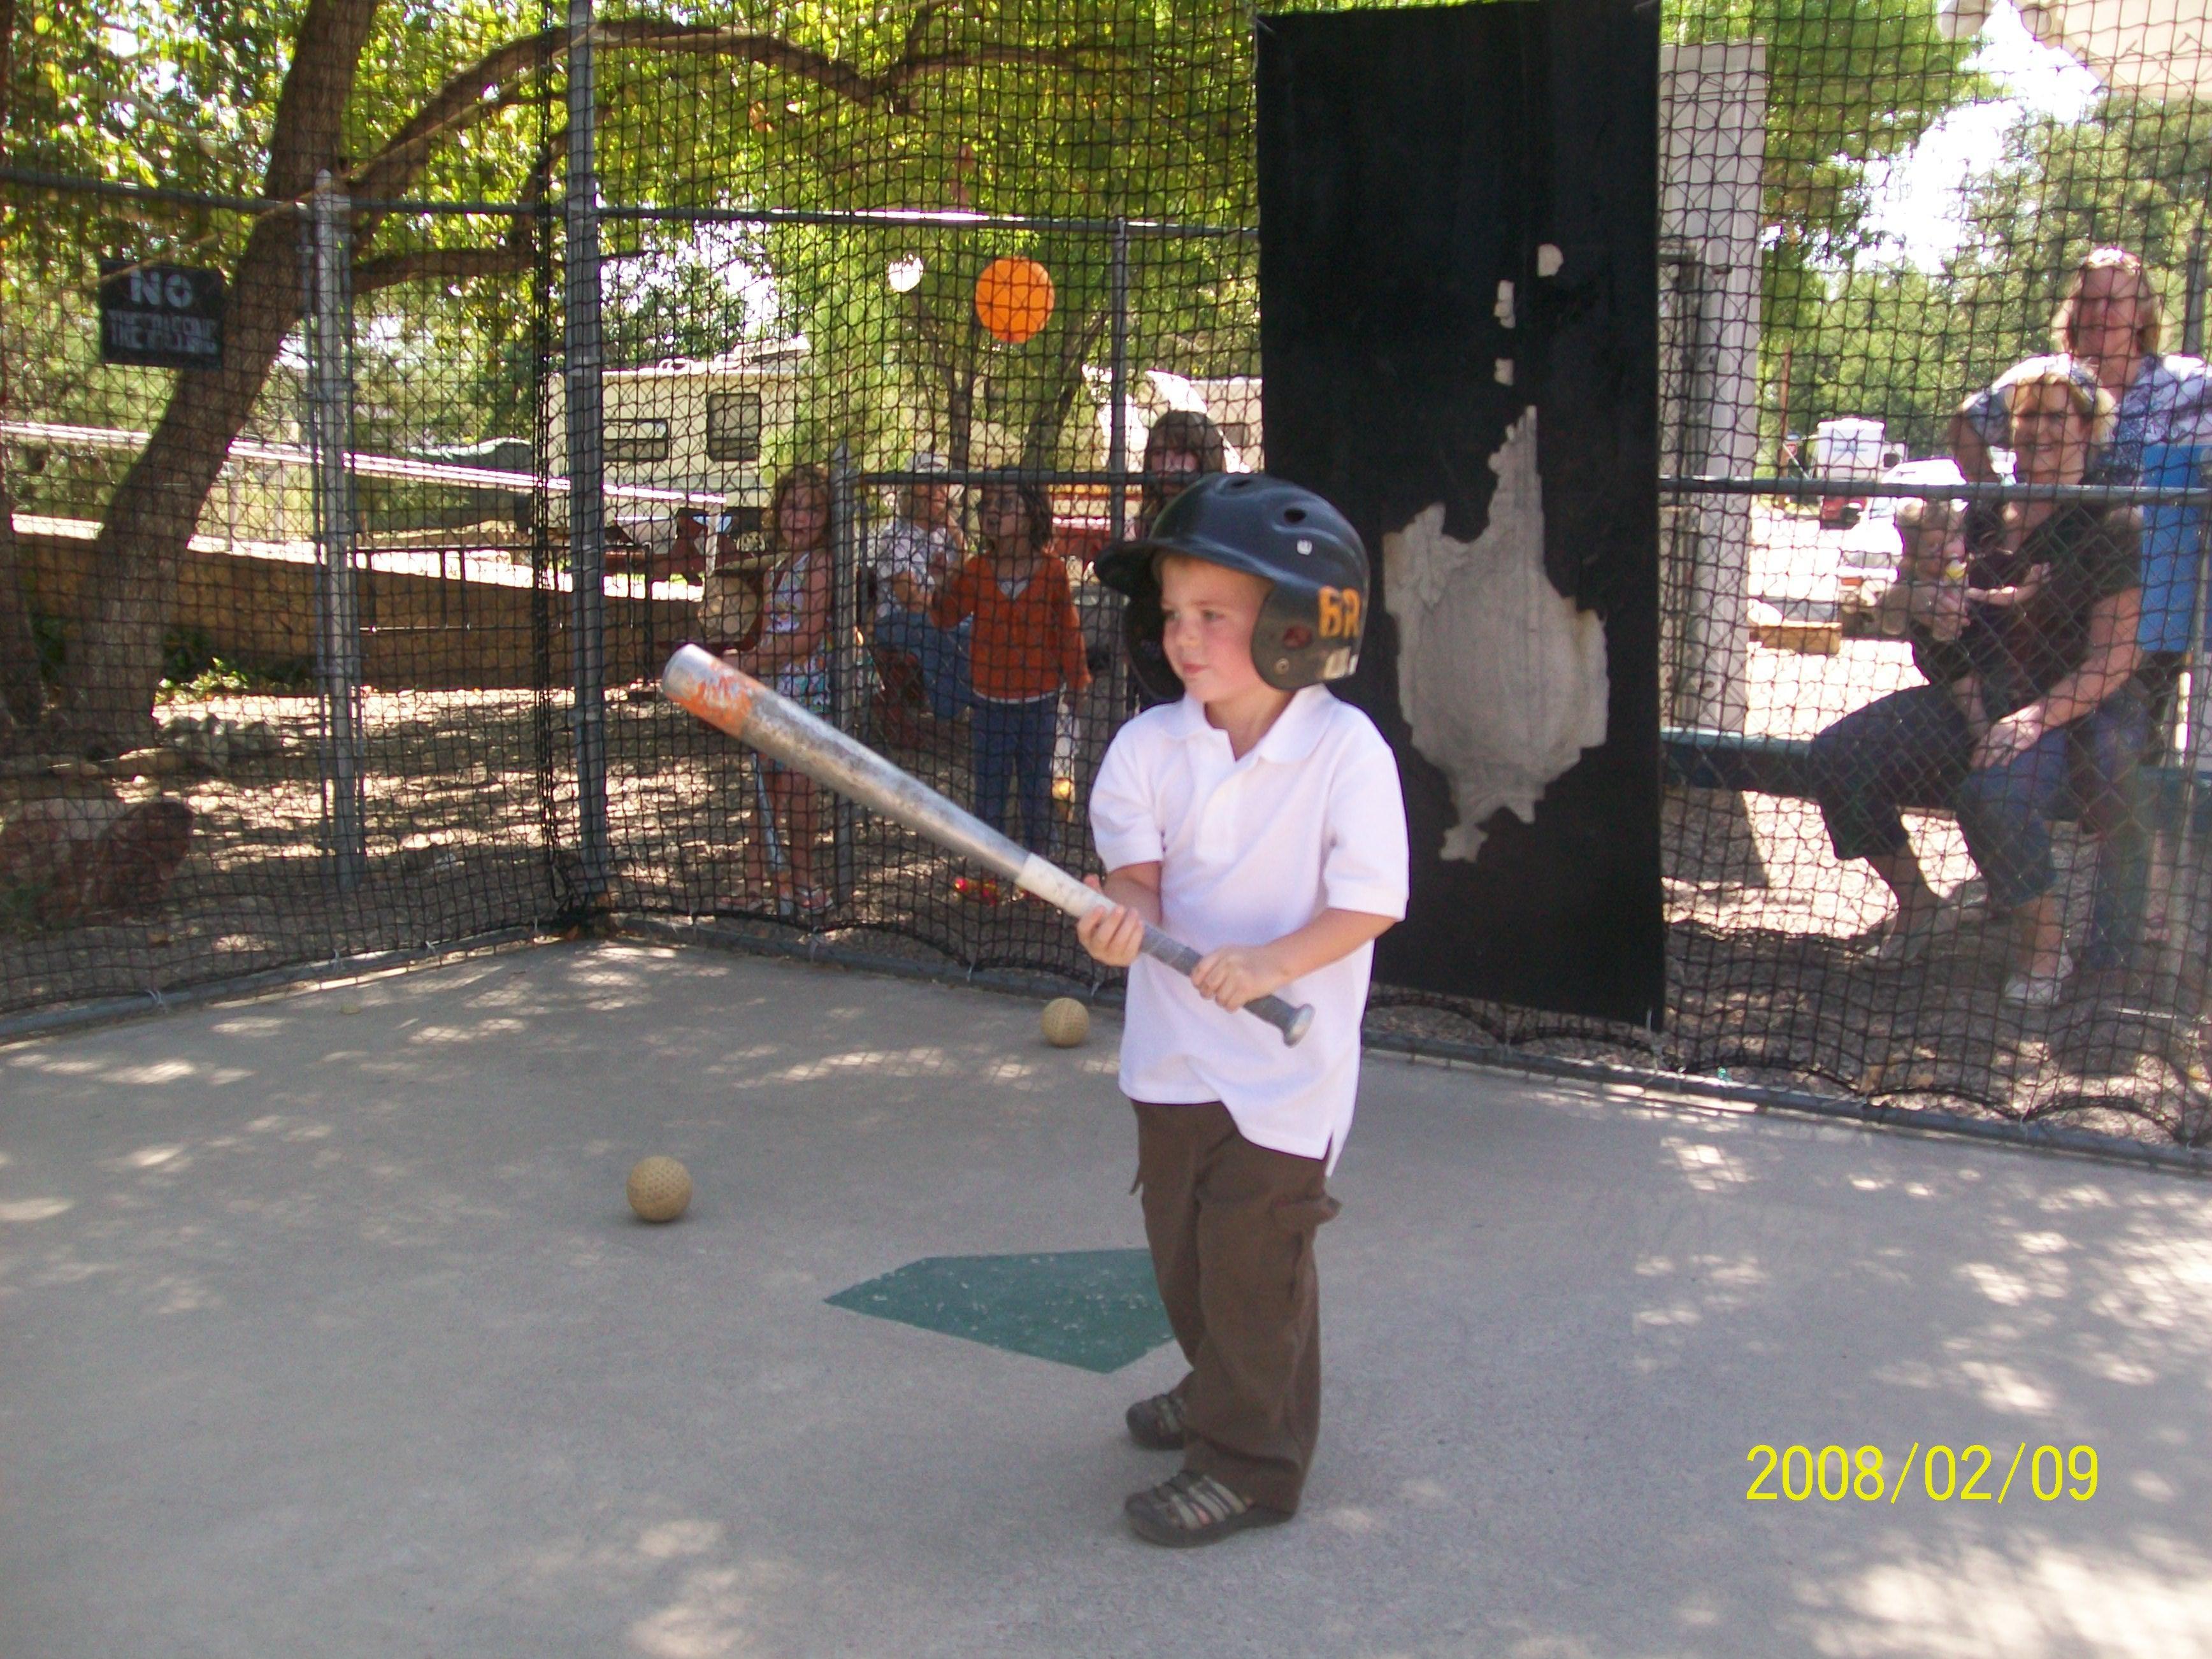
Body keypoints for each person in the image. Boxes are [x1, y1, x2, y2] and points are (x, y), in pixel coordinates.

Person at [1077, 473, 1409, 1547]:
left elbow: (1368, 902)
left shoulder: (1344, 753)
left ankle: (1250, 1458)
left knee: (1252, 1267)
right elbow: (1138, 879)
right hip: (1174, 1061)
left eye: (1212, 615)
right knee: (1180, 1256)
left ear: (1300, 627)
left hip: (1284, 1073)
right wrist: (1120, 914)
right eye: (1173, 614)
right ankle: (1218, 1378)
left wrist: (1271, 960)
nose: (1183, 636)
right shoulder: (1147, 747)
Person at [1816, 368, 2144, 1003]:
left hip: (2075, 706)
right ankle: (1919, 906)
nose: (2039, 434)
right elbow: (1905, 603)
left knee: (1991, 794)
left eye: (2057, 418)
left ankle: (2045, 947)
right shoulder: (1983, 512)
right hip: (1975, 693)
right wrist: (1918, 601)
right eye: (2027, 420)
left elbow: (2115, 658)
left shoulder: (2112, 521)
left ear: (2088, 428)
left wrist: (2030, 721)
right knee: (1838, 755)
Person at [1950, 247, 2208, 754]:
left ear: (2143, 313)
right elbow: (1967, 424)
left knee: (2128, 735)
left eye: (2114, 301)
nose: (2098, 314)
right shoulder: (2046, 377)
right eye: (2087, 301)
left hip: (2152, 581)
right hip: (2060, 574)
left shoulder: (2189, 384)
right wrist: (1998, 498)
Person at [930, 475, 1090, 878]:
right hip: (990, 704)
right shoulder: (979, 570)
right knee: (990, 792)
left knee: (1037, 791)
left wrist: (1079, 680)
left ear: (1032, 513)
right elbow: (946, 617)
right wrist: (940, 584)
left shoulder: (1051, 571)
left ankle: (1044, 878)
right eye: (987, 505)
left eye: (1005, 503)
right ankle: (988, 874)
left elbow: (1067, 630)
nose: (992, 512)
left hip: (1039, 703)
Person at [723, 464, 834, 917]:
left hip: (806, 690)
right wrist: (747, 663)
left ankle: (803, 878)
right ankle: (755, 884)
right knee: (765, 787)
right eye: (792, 507)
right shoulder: (776, 571)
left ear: (826, 518)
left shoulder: (821, 564)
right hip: (773, 692)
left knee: (801, 787)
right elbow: (770, 633)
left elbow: (808, 636)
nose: (799, 518)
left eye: (811, 510)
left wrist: (750, 661)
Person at [867, 452, 972, 719]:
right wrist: (949, 604)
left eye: (941, 483)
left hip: (938, 614)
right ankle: (947, 710)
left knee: (978, 626)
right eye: (928, 482)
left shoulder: (944, 536)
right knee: (946, 630)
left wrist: (959, 539)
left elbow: (966, 587)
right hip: (895, 621)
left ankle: (970, 703)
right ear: (911, 491)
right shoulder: (894, 535)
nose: (936, 489)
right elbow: (910, 599)